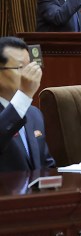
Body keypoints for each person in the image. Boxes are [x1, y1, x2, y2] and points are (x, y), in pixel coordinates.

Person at [0, 37, 55, 171]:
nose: (27, 75)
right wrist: (24, 95)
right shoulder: (22, 105)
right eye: (20, 68)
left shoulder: (34, 114)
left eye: (29, 67)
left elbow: (46, 166)